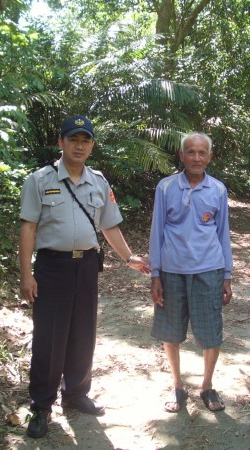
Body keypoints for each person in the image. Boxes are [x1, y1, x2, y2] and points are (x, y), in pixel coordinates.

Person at [19, 115, 150, 438]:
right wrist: (26, 274)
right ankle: (41, 404)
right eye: (73, 139)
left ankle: (76, 394)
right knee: (50, 336)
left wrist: (129, 257)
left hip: (87, 266)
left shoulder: (99, 183)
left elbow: (109, 225)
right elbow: (28, 227)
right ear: (61, 142)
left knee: (82, 333)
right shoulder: (39, 180)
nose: (79, 145)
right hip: (52, 267)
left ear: (92, 146)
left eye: (85, 140)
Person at [149, 132, 233, 413]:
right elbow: (156, 232)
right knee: (171, 333)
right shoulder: (166, 187)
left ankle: (207, 386)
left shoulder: (218, 190)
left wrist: (227, 275)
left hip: (209, 270)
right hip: (172, 272)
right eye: (190, 152)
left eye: (202, 153)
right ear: (181, 155)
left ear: (209, 156)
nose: (196, 158)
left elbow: (223, 235)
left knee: (211, 333)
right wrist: (155, 275)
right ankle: (177, 387)